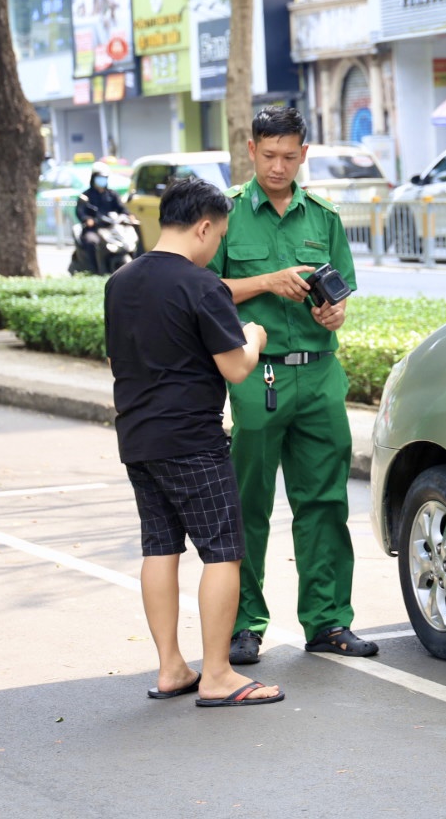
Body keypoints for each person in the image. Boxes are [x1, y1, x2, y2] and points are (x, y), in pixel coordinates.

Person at [104, 178, 283, 709]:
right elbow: (237, 368)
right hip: (192, 438)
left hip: (137, 437)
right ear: (204, 226)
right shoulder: (202, 285)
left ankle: (171, 668)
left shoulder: (120, 281)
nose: (217, 245)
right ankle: (219, 675)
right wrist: (254, 337)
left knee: (160, 547)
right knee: (223, 551)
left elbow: (118, 361)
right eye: (219, 234)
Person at [211, 105, 379, 665]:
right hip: (257, 373)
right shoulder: (228, 214)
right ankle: (243, 626)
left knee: (326, 502)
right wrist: (266, 281)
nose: (278, 167)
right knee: (248, 504)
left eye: (289, 156)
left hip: (321, 373)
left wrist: (337, 316)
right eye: (268, 156)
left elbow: (341, 295)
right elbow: (203, 292)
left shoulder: (324, 217)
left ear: (304, 154)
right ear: (251, 150)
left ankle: (329, 622)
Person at [76, 162, 129, 273]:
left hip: (111, 227)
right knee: (92, 242)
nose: (102, 180)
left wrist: (129, 216)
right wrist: (87, 219)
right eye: (99, 177)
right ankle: (95, 271)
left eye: (104, 178)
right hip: (94, 228)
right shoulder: (86, 195)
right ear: (93, 178)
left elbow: (121, 208)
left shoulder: (112, 194)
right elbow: (80, 212)